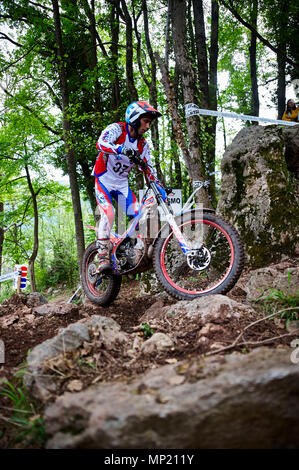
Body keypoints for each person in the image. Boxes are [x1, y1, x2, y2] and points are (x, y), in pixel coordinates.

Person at [92, 100, 166, 272]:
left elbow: (148, 167)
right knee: (109, 213)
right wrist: (120, 149)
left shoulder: (142, 144)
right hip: (103, 180)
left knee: (140, 216)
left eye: (150, 122)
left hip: (122, 185)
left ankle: (130, 251)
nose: (148, 126)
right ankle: (102, 255)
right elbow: (100, 143)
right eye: (146, 121)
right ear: (134, 118)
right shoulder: (117, 129)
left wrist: (160, 187)